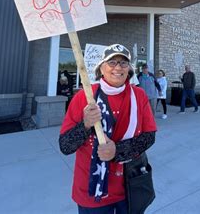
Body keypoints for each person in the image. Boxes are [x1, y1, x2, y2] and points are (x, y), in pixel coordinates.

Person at [59, 44, 157, 213]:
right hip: (91, 192)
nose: (118, 67)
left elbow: (149, 136)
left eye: (123, 63)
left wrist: (117, 151)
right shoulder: (84, 97)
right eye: (111, 62)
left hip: (130, 187)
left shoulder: (139, 95)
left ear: (129, 69)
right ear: (101, 68)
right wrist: (86, 125)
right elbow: (65, 146)